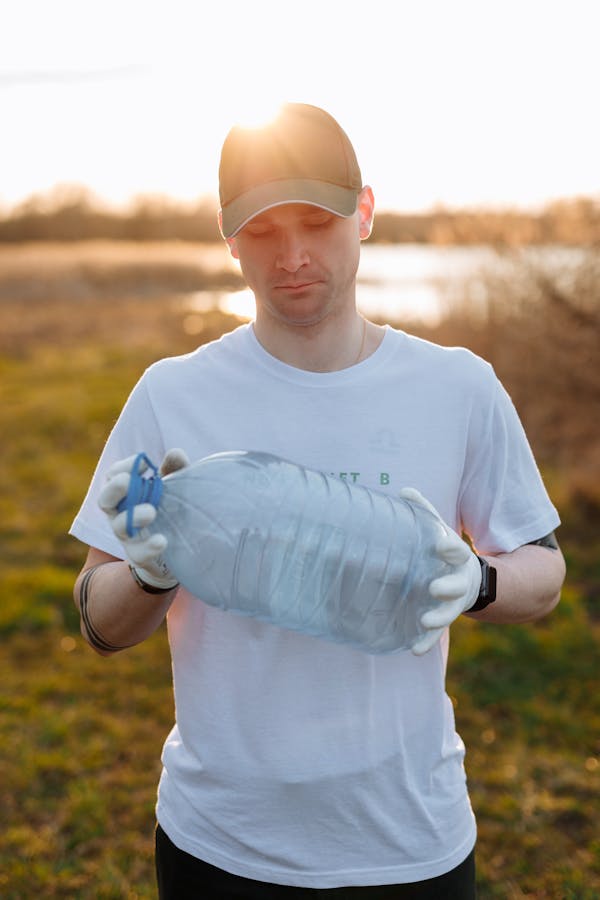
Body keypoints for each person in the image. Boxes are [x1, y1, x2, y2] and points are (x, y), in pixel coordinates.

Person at [70, 103, 566, 898]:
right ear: (229, 238)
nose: (293, 256)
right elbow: (97, 621)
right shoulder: (172, 395)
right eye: (263, 231)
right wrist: (152, 575)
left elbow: (543, 572)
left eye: (317, 222)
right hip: (220, 844)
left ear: (364, 212)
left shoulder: (456, 386)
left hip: (409, 841)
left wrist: (477, 581)